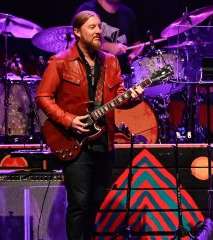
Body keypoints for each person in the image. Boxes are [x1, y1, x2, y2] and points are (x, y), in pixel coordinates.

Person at [35, 11, 143, 239]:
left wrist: (134, 96)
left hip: (104, 141)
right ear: (77, 32)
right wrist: (69, 120)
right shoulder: (60, 61)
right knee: (80, 203)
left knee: (95, 202)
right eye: (92, 27)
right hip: (74, 140)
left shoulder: (111, 62)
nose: (98, 31)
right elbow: (43, 97)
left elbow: (120, 95)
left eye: (99, 27)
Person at [75, 0, 143, 75]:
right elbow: (76, 39)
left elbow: (137, 44)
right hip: (93, 75)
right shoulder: (87, 10)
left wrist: (133, 56)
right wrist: (106, 46)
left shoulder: (127, 13)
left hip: (123, 76)